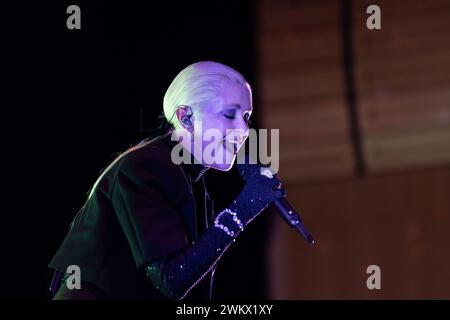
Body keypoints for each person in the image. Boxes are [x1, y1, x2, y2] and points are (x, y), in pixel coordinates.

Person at [48, 61, 284, 300]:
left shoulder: (192, 184)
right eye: (229, 114)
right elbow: (171, 279)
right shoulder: (142, 168)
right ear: (186, 117)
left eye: (246, 117)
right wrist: (241, 210)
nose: (243, 129)